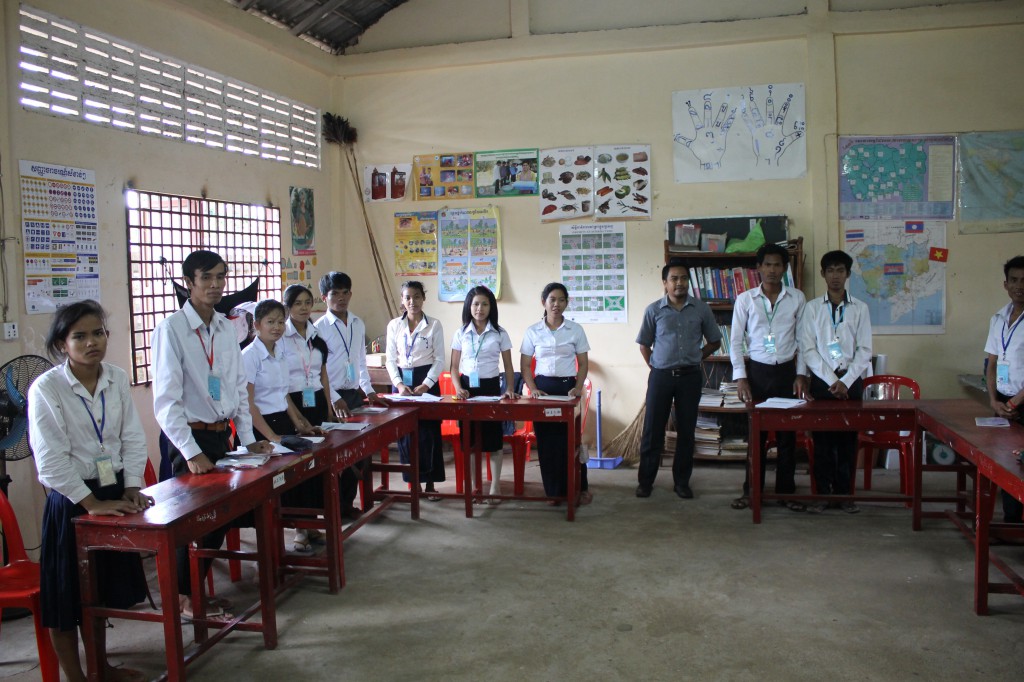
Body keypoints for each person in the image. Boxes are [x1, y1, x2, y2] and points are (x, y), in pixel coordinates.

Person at [29, 300, 153, 682]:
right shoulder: (46, 389)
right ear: (62, 344)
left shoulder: (116, 378)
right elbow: (50, 460)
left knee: (98, 594)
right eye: (79, 336)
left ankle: (101, 669)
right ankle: (76, 677)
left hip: (113, 491)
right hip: (72, 502)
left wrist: (131, 485)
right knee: (65, 600)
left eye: (97, 332)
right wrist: (91, 503)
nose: (91, 342)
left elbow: (132, 437)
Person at [152, 249, 274, 622]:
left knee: (217, 519)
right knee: (185, 524)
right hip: (186, 439)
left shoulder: (226, 327)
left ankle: (191, 593)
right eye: (206, 278)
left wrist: (248, 437)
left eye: (221, 277)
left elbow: (238, 389)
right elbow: (166, 402)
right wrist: (189, 451)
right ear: (189, 284)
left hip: (222, 438)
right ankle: (182, 600)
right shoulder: (171, 330)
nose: (216, 285)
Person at [729, 243, 808, 512]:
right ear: (759, 268)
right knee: (756, 438)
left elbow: (803, 340)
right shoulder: (745, 299)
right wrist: (741, 378)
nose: (772, 270)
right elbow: (736, 340)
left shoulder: (797, 298)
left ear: (785, 268)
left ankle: (787, 492)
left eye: (778, 265)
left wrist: (801, 374)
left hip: (786, 372)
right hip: (757, 373)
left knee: (787, 438)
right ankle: (752, 492)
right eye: (768, 265)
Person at [635, 258, 721, 499]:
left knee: (686, 431)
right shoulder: (654, 310)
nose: (679, 283)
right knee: (652, 430)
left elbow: (715, 341)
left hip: (690, 377)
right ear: (665, 283)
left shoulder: (701, 309)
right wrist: (654, 364)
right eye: (674, 279)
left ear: (688, 282)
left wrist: (697, 356)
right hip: (661, 377)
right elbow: (644, 344)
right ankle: (645, 482)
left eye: (683, 278)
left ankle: (682, 482)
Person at [244, 298, 323, 553]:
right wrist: (273, 437)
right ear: (257, 325)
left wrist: (301, 424)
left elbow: (284, 395)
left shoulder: (280, 353)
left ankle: (307, 524)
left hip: (282, 421)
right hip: (261, 427)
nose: (276, 327)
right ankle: (295, 533)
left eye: (280, 321)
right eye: (270, 322)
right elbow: (248, 404)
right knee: (281, 481)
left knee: (305, 471)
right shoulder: (249, 356)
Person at [798, 250, 873, 514]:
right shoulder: (811, 308)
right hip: (822, 382)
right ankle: (822, 494)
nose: (835, 276)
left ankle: (845, 495)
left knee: (847, 442)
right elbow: (808, 349)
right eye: (830, 270)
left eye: (840, 270)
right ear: (822, 274)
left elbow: (865, 350)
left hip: (851, 384)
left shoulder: (860, 308)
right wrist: (832, 380)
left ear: (848, 274)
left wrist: (847, 380)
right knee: (823, 442)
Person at [311, 273, 379, 517]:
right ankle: (330, 509)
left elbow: (361, 360)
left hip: (352, 396)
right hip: (331, 399)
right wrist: (332, 398)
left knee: (359, 454)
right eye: (335, 294)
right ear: (324, 298)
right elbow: (317, 370)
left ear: (351, 294)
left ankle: (346, 505)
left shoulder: (357, 323)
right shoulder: (318, 329)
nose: (341, 298)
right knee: (334, 457)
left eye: (345, 292)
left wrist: (369, 390)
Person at [520, 282, 592, 505]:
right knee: (546, 442)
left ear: (567, 303)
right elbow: (524, 366)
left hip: (567, 389)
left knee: (570, 441)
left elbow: (583, 363)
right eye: (552, 300)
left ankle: (578, 487)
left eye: (561, 300)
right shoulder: (533, 331)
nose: (556, 305)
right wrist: (533, 389)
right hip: (542, 390)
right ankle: (553, 492)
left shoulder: (575, 330)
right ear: (544, 302)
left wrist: (577, 389)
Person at [450, 286, 517, 502]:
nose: (480, 308)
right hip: (467, 390)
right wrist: (458, 387)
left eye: (485, 304)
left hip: (490, 389)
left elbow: (508, 365)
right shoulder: (460, 333)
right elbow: (453, 367)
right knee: (469, 442)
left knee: (493, 440)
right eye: (476, 304)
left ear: (491, 307)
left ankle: (495, 487)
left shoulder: (500, 333)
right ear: (469, 307)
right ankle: (473, 488)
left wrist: (508, 389)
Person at [385, 280, 446, 499]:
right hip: (402, 382)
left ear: (423, 298)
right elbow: (390, 360)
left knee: (429, 433)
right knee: (406, 435)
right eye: (408, 297)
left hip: (426, 381)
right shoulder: (394, 326)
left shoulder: (434, 325)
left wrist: (427, 384)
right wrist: (399, 384)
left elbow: (440, 359)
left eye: (417, 297)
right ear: (402, 300)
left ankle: (430, 483)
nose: (413, 302)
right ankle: (414, 484)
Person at [984, 255, 1024, 523]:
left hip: (1019, 402)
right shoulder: (998, 318)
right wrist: (994, 401)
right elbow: (991, 364)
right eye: (1014, 280)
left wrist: (1013, 404)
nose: (1019, 286)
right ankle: (1012, 522)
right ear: (1005, 284)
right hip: (1004, 401)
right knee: (1008, 464)